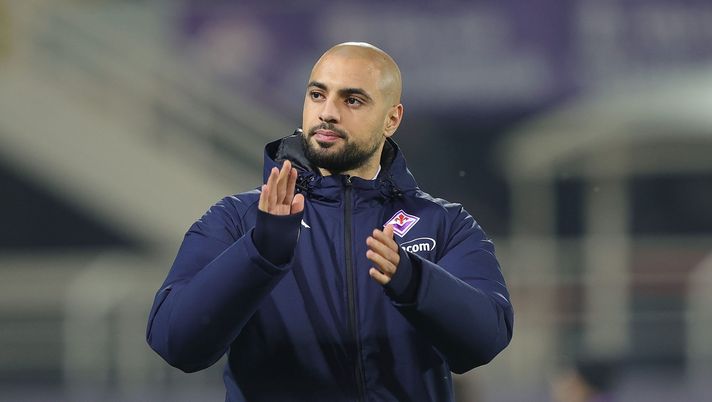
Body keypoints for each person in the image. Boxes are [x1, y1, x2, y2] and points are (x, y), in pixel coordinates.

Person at [146, 42, 514, 401]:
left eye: (352, 100)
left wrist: (413, 281)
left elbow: (484, 342)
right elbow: (176, 345)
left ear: (392, 119)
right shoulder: (238, 220)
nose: (328, 113)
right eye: (317, 95)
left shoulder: (444, 224)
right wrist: (259, 254)